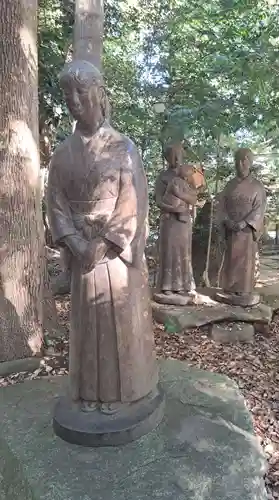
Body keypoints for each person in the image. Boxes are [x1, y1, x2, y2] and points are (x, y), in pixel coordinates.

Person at [47, 60, 158, 415]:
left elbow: (134, 201)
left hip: (114, 255)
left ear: (99, 93)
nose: (74, 100)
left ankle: (118, 394)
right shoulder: (62, 153)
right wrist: (75, 242)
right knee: (86, 327)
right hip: (82, 253)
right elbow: (56, 202)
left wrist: (107, 242)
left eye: (81, 91)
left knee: (117, 324)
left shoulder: (124, 148)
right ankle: (87, 393)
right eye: (68, 93)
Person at [217, 148, 267, 307]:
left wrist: (245, 223)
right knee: (230, 259)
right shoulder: (229, 185)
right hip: (231, 230)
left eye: (244, 160)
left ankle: (244, 290)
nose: (240, 164)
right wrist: (226, 220)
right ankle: (229, 288)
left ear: (250, 162)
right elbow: (222, 206)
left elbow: (259, 209)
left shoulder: (257, 186)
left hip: (246, 231)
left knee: (245, 261)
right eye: (237, 160)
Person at [154, 144, 197, 295]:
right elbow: (158, 200)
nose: (177, 159)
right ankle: (167, 286)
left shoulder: (187, 177)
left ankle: (185, 285)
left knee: (184, 251)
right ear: (167, 158)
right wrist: (173, 208)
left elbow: (194, 198)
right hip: (169, 220)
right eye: (173, 155)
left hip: (184, 220)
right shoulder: (163, 177)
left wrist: (180, 196)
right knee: (169, 251)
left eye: (179, 155)